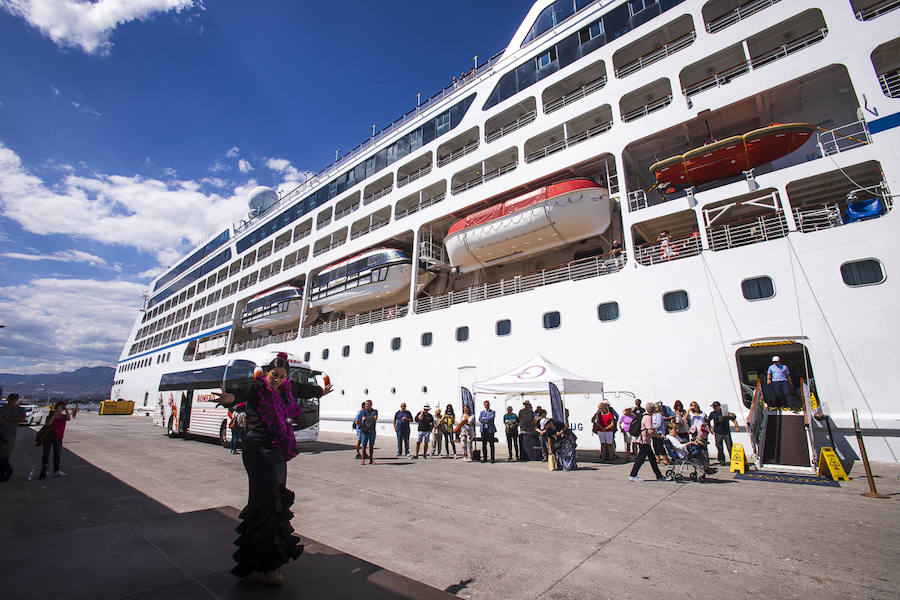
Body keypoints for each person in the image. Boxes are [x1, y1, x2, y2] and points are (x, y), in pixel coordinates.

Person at [214, 352, 332, 584]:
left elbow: (304, 390)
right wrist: (228, 398)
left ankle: (260, 559)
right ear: (266, 374)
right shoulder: (257, 389)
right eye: (273, 375)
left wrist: (321, 392)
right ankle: (268, 566)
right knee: (264, 499)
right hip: (256, 447)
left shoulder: (288, 388)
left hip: (276, 447)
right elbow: (240, 394)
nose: (276, 379)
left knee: (275, 497)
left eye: (280, 376)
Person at [629, 403, 670, 482]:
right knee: (641, 459)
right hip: (644, 441)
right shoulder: (648, 417)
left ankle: (659, 476)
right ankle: (633, 475)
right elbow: (650, 431)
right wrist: (658, 436)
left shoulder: (644, 415)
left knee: (652, 459)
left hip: (644, 440)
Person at [39, 400, 77, 479]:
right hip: (48, 437)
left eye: (62, 408)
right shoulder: (51, 415)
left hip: (58, 437)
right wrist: (54, 414)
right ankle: (45, 469)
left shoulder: (63, 417)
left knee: (57, 454)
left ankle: (56, 470)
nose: (60, 409)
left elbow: (68, 418)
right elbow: (48, 423)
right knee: (46, 453)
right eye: (60, 407)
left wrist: (67, 411)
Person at [0, 393, 26, 482]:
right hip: (1, 433)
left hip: (10, 435)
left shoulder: (19, 409)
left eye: (15, 399)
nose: (13, 401)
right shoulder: (2, 409)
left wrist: (7, 420)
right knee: (2, 455)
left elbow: (22, 418)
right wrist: (13, 420)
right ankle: (5, 472)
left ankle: (6, 472)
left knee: (5, 454)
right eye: (11, 399)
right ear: (8, 399)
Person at [708, 401, 739, 465]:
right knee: (719, 446)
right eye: (713, 407)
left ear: (719, 406)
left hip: (726, 432)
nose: (714, 408)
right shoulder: (712, 413)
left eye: (715, 407)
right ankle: (722, 460)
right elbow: (708, 421)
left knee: (730, 446)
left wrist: (736, 427)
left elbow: (733, 419)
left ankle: (733, 459)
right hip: (718, 432)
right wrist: (710, 428)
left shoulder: (725, 412)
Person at [358, 400, 378, 465]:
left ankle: (371, 460)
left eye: (368, 404)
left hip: (372, 430)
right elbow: (363, 419)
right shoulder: (363, 412)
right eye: (366, 404)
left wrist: (367, 418)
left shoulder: (375, 411)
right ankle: (363, 460)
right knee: (364, 445)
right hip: (364, 431)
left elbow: (375, 418)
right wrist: (371, 418)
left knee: (371, 446)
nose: (367, 406)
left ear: (371, 405)